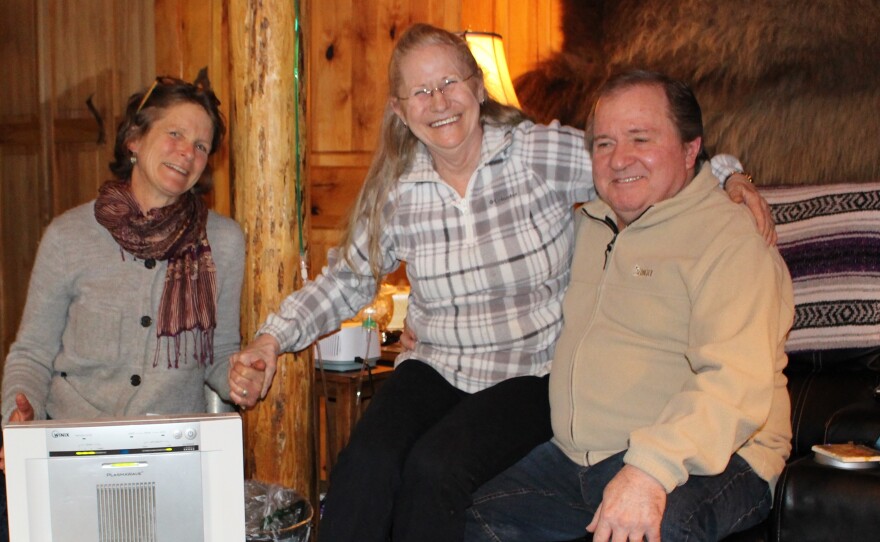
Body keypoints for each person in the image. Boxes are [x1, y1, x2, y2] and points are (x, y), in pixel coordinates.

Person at [228, 24, 772, 542]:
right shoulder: (398, 191)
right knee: (364, 463)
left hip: (528, 371)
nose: (438, 102)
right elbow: (344, 281)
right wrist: (271, 339)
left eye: (449, 83)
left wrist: (727, 174)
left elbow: (630, 159)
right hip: (439, 366)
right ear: (399, 110)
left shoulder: (538, 153)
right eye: (420, 92)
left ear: (477, 87)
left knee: (436, 467)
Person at [464, 70, 794, 542]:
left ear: (690, 149)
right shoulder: (586, 226)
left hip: (717, 455)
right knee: (474, 518)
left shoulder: (731, 239)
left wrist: (648, 471)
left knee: (651, 530)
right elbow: (517, 291)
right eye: (603, 144)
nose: (619, 159)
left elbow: (734, 382)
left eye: (641, 138)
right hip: (580, 457)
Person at [1, 76, 265, 464]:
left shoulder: (223, 242)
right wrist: (19, 418)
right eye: (174, 133)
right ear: (134, 140)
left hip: (174, 451)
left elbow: (219, 353)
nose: (187, 153)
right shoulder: (68, 235)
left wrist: (241, 378)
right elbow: (32, 355)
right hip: (76, 447)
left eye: (200, 146)